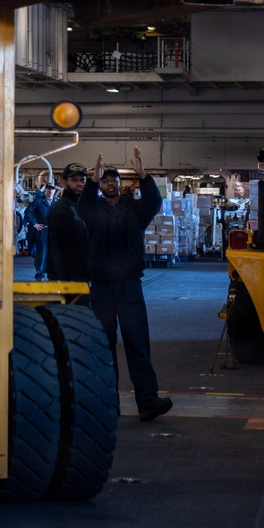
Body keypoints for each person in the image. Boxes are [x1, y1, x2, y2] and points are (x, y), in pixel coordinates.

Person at [78, 146, 171, 423]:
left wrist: (144, 175)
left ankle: (148, 402)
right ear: (100, 185)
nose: (109, 184)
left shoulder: (135, 210)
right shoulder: (93, 212)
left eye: (112, 180)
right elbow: (82, 206)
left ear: (120, 184)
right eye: (104, 180)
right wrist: (91, 179)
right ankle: (108, 405)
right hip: (103, 288)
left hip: (130, 286)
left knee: (138, 344)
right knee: (104, 347)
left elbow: (154, 202)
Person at [47, 161, 90, 281]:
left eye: (82, 180)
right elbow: (57, 249)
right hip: (68, 279)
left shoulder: (78, 207)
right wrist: (65, 282)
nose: (79, 184)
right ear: (64, 182)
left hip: (80, 274)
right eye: (74, 180)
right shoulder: (61, 209)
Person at [23, 181, 57, 281]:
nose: (50, 191)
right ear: (45, 190)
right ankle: (39, 274)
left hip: (54, 231)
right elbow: (28, 212)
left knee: (54, 252)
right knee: (42, 252)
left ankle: (52, 273)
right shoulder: (39, 201)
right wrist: (34, 223)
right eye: (48, 189)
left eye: (52, 189)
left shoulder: (56, 201)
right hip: (43, 230)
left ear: (55, 191)